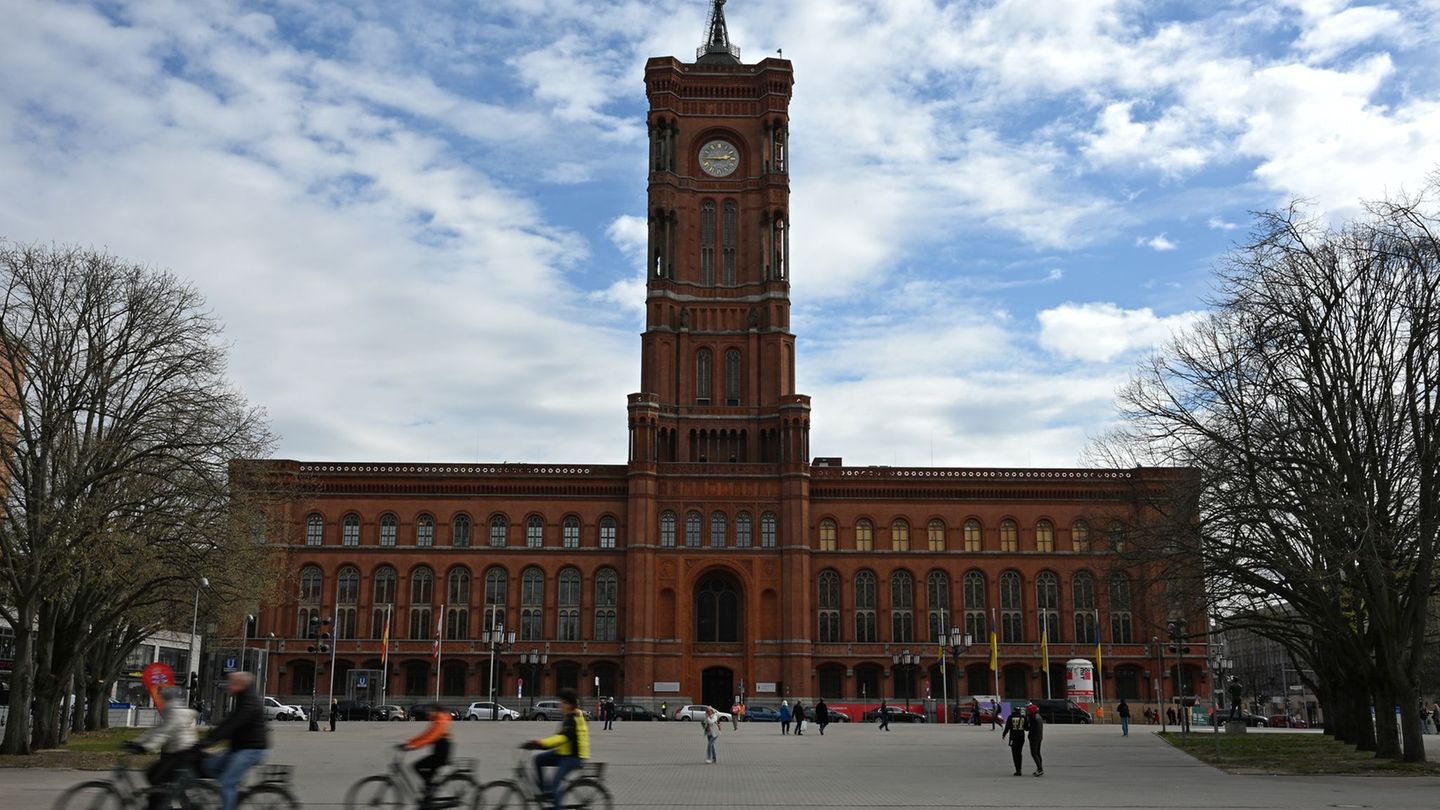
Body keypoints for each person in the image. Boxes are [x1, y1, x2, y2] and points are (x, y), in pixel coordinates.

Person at [196, 671, 268, 810]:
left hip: (251, 750)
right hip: (239, 748)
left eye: (232, 683)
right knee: (209, 766)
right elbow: (228, 722)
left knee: (227, 783)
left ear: (240, 685)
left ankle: (229, 797)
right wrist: (209, 739)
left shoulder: (249, 702)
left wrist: (211, 741)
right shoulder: (242, 698)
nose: (229, 686)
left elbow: (234, 724)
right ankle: (233, 792)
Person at [125, 686, 198, 810]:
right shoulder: (175, 710)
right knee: (166, 780)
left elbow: (164, 732)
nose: (161, 699)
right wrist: (136, 742)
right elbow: (155, 730)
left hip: (181, 753)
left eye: (163, 697)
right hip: (176, 752)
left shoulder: (175, 712)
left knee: (156, 775)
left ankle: (162, 804)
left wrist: (146, 747)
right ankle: (165, 803)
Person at [524, 688, 590, 809]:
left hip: (574, 756)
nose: (561, 705)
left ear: (570, 704)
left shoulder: (574, 718)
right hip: (564, 753)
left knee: (555, 785)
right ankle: (546, 793)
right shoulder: (569, 716)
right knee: (538, 760)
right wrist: (540, 745)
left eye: (563, 702)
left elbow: (562, 738)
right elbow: (559, 737)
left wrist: (541, 743)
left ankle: (555, 801)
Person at [399, 702, 452, 803]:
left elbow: (430, 738)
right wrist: (408, 742)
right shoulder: (437, 719)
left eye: (429, 710)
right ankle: (429, 795)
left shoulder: (441, 720)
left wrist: (412, 746)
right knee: (428, 776)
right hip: (439, 753)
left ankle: (431, 790)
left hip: (441, 754)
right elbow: (424, 735)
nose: (428, 713)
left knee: (417, 766)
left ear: (435, 710)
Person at [1001, 704, 1027, 776]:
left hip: (1013, 738)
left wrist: (1004, 734)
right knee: (1019, 753)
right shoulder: (1023, 717)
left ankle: (1017, 769)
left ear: (1014, 710)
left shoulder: (1010, 717)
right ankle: (1020, 769)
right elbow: (1027, 728)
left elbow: (1007, 727)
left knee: (1014, 754)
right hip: (1021, 738)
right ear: (1019, 711)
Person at [1024, 703, 1045, 776]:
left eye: (1028, 710)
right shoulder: (1038, 716)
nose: (1027, 711)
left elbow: (1028, 728)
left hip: (1034, 738)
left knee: (1034, 753)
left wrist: (1026, 720)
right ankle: (1040, 768)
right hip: (1039, 737)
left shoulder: (1033, 718)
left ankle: (1040, 769)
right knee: (1038, 753)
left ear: (1031, 711)